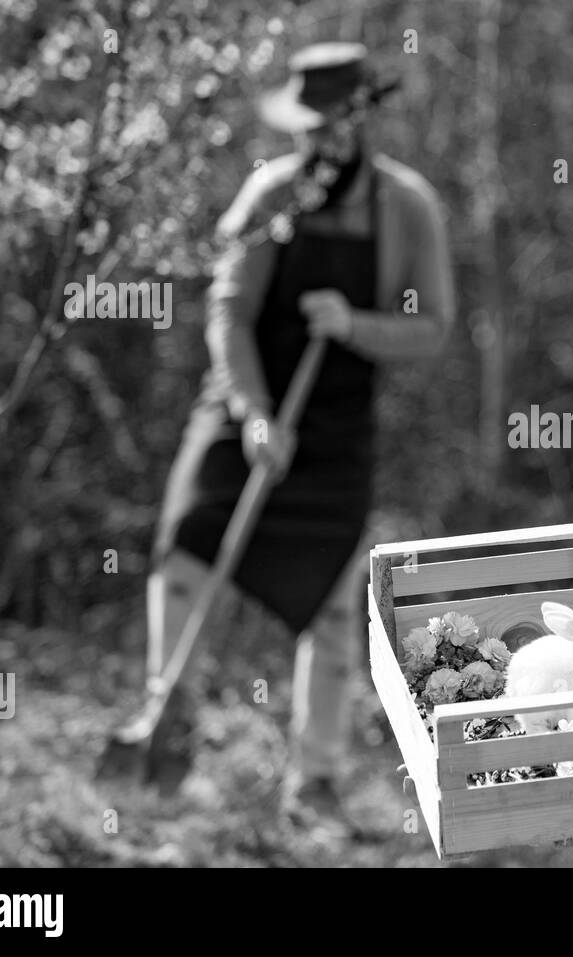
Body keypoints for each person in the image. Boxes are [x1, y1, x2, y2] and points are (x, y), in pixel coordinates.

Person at [146, 42, 455, 829]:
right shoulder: (269, 196)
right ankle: (165, 736)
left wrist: (354, 323)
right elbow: (230, 314)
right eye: (305, 127)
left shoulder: (407, 207)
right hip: (242, 408)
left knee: (326, 602)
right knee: (184, 550)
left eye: (327, 126)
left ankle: (312, 783)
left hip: (335, 426)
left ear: (358, 123)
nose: (313, 142)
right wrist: (252, 414)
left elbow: (432, 329)